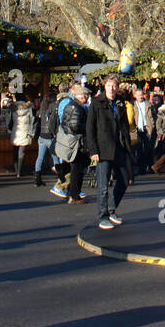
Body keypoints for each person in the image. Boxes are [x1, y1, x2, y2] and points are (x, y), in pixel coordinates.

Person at [88, 74, 132, 229]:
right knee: (103, 185)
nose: (112, 89)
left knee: (125, 180)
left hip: (119, 147)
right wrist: (93, 150)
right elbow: (90, 128)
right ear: (104, 86)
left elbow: (125, 127)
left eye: (114, 86)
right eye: (109, 85)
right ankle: (102, 216)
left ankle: (111, 208)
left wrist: (128, 148)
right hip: (103, 148)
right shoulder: (96, 103)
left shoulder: (120, 103)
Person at [55, 81, 90, 202]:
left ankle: (74, 192)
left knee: (76, 168)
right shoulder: (76, 107)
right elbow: (75, 125)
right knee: (77, 169)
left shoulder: (72, 105)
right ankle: (74, 195)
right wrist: (87, 129)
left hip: (72, 140)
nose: (85, 98)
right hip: (76, 142)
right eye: (83, 96)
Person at [8, 88, 38, 178]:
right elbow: (33, 119)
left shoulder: (13, 108)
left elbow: (10, 122)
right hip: (25, 131)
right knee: (22, 152)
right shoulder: (29, 107)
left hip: (16, 131)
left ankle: (17, 170)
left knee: (15, 151)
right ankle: (20, 172)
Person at [33, 88, 58, 187]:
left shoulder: (41, 111)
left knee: (40, 157)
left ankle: (37, 179)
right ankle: (60, 177)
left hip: (42, 136)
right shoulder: (52, 111)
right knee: (55, 157)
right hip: (50, 136)